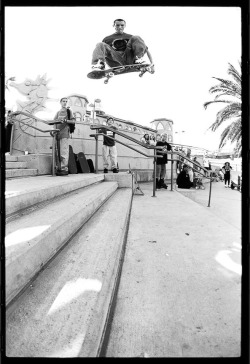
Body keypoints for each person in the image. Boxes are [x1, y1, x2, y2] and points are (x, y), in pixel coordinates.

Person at [54, 97, 75, 176]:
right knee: (57, 152)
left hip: (65, 133)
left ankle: (64, 168)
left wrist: (66, 121)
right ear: (60, 102)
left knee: (64, 151)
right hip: (57, 134)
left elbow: (73, 121)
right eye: (63, 101)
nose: (65, 103)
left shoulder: (69, 111)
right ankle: (58, 167)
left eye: (66, 101)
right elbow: (54, 121)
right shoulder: (58, 112)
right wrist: (54, 131)